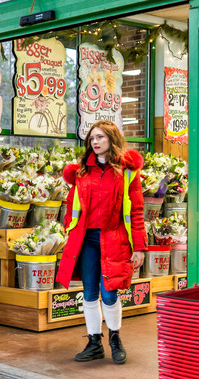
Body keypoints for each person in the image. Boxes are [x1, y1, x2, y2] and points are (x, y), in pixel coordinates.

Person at [55, 120, 147, 365]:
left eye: (100, 137)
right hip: (85, 241)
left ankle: (115, 338)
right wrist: (68, 231)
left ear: (112, 140)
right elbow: (72, 207)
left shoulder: (128, 172)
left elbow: (136, 211)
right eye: (92, 138)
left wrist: (139, 247)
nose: (95, 142)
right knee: (89, 293)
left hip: (114, 239)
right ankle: (94, 342)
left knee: (109, 294)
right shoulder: (82, 172)